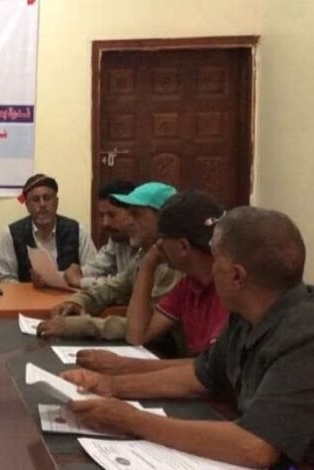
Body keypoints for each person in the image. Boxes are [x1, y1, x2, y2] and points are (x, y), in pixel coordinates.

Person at [62, 206, 314, 469]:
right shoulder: (244, 316)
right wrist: (111, 385)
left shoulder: (305, 333)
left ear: (236, 276)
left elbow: (256, 447)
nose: (211, 269)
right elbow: (200, 375)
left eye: (215, 260)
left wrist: (132, 420)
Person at [76, 190, 229, 374]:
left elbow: (212, 370)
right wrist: (148, 264)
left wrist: (124, 367)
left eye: (163, 238)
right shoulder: (190, 283)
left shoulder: (229, 288)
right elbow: (137, 334)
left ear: (183, 246)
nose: (159, 244)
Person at [37, 182, 182, 339]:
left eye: (136, 214)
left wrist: (77, 326)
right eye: (129, 214)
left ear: (163, 219)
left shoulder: (173, 265)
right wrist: (78, 301)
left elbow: (145, 327)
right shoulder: (145, 255)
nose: (128, 221)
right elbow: (113, 287)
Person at [0, 174, 97, 284]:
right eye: (36, 199)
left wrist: (68, 277)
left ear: (56, 202)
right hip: (28, 294)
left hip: (70, 294)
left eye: (47, 198)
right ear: (27, 205)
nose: (42, 204)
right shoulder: (11, 234)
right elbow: (5, 279)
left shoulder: (78, 231)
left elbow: (94, 273)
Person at [64, 180, 137, 289]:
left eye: (112, 215)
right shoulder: (116, 237)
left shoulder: (145, 242)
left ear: (132, 213)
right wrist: (69, 274)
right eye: (102, 215)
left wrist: (81, 281)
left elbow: (124, 286)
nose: (105, 223)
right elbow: (99, 266)